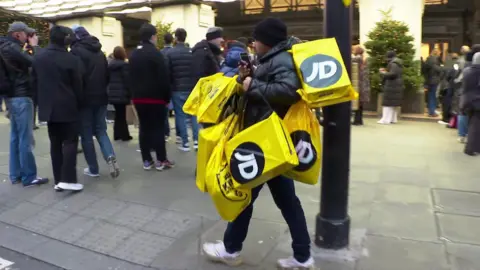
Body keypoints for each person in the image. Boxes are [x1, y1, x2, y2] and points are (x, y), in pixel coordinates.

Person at [202, 18, 315, 270]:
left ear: (268, 41)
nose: (253, 43)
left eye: (257, 39)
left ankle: (231, 250)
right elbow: (269, 88)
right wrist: (248, 78)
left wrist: (253, 84)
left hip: (267, 140)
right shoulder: (272, 57)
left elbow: (288, 91)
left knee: (245, 192)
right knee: (283, 201)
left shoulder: (283, 58)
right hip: (268, 139)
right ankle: (302, 256)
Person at [32, 26, 84, 191]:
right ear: (64, 39)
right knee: (70, 142)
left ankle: (58, 180)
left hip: (48, 108)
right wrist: (80, 103)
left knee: (55, 144)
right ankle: (68, 179)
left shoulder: (39, 57)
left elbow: (34, 82)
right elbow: (78, 85)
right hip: (68, 105)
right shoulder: (71, 59)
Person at [0, 21, 48, 187]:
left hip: (12, 97)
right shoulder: (12, 48)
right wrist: (34, 46)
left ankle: (16, 174)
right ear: (16, 34)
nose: (27, 37)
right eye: (25, 34)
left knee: (15, 137)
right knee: (25, 138)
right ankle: (29, 176)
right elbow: (35, 62)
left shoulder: (5, 46)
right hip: (21, 96)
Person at [71, 25, 120, 178]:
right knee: (101, 130)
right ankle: (110, 155)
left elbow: (77, 77)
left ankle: (93, 168)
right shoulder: (99, 51)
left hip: (85, 99)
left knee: (86, 134)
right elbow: (106, 75)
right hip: (101, 98)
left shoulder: (76, 52)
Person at [129, 23, 175, 171]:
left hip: (139, 98)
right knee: (158, 128)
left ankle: (147, 160)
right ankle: (161, 159)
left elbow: (130, 76)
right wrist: (167, 98)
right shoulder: (156, 54)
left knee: (144, 128)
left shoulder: (134, 54)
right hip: (155, 98)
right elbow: (163, 78)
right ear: (152, 37)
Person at [165, 28, 200, 152]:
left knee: (180, 115)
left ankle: (185, 142)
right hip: (192, 88)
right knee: (194, 115)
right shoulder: (192, 52)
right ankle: (197, 141)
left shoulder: (171, 53)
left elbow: (168, 73)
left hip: (177, 88)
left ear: (176, 37)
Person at [107, 46, 132, 142]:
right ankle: (124, 135)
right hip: (122, 93)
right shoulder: (124, 65)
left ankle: (117, 134)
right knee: (121, 115)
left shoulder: (110, 65)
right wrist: (130, 93)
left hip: (113, 93)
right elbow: (127, 80)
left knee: (118, 114)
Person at [460, 52, 480, 156]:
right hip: (477, 101)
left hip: (467, 100)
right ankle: (471, 148)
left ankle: (472, 146)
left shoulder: (467, 71)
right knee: (475, 125)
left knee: (472, 123)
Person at [377, 51, 404, 125]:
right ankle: (392, 119)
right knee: (392, 104)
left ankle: (385, 120)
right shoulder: (398, 63)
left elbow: (392, 74)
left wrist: (383, 73)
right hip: (396, 85)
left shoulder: (393, 64)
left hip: (391, 85)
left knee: (387, 103)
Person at [160, 33, 177, 143]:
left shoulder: (160, 53)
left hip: (164, 84)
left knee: (164, 111)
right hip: (176, 85)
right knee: (179, 112)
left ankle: (166, 132)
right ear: (172, 40)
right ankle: (180, 135)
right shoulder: (174, 52)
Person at [352, 45, 370, 125]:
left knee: (357, 103)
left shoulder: (357, 58)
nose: (352, 51)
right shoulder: (364, 59)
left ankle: (357, 120)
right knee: (360, 103)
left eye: (353, 50)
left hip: (358, 83)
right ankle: (359, 120)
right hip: (364, 84)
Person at [424, 49, 443, 117]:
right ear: (437, 54)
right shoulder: (434, 60)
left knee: (430, 96)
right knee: (433, 96)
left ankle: (431, 111)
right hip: (434, 80)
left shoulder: (428, 59)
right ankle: (432, 112)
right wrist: (442, 68)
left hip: (429, 80)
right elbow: (438, 69)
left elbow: (425, 70)